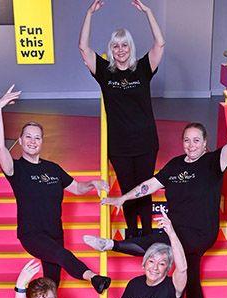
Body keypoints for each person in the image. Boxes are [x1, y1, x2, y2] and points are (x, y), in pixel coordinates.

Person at [82, 95, 227, 298]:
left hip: (201, 232)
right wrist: (122, 198)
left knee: (163, 243)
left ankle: (111, 244)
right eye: (187, 141)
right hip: (178, 228)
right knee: (190, 275)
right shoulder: (175, 165)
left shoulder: (213, 162)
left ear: (205, 143)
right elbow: (148, 186)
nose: (191, 145)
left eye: (196, 141)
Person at [0, 85, 112, 293]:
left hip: (54, 233)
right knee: (62, 255)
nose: (32, 141)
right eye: (28, 137)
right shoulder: (16, 169)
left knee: (52, 284)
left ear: (42, 142)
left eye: (37, 137)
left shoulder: (53, 169)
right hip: (32, 235)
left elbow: (76, 188)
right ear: (20, 141)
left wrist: (92, 183)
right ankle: (95, 279)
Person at [79, 0, 165, 237]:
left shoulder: (143, 68)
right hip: (119, 146)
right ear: (111, 48)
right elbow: (83, 47)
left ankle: (147, 234)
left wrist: (148, 12)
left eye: (124, 45)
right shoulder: (105, 72)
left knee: (145, 189)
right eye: (115, 46)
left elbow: (160, 43)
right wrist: (89, 14)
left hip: (146, 142)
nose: (120, 49)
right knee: (127, 189)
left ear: (130, 47)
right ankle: (133, 234)